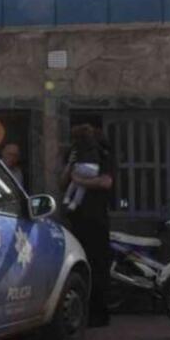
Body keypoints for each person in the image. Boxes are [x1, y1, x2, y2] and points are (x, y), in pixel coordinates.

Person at [60, 117, 114, 327]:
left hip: (97, 218)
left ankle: (100, 313)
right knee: (78, 266)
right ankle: (81, 312)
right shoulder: (73, 154)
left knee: (98, 264)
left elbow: (106, 182)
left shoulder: (103, 154)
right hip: (76, 218)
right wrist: (71, 165)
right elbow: (62, 182)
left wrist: (80, 181)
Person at [62, 124, 101, 211]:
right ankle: (74, 203)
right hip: (94, 168)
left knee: (76, 182)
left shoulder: (76, 145)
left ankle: (67, 198)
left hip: (81, 166)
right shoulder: (95, 144)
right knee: (81, 186)